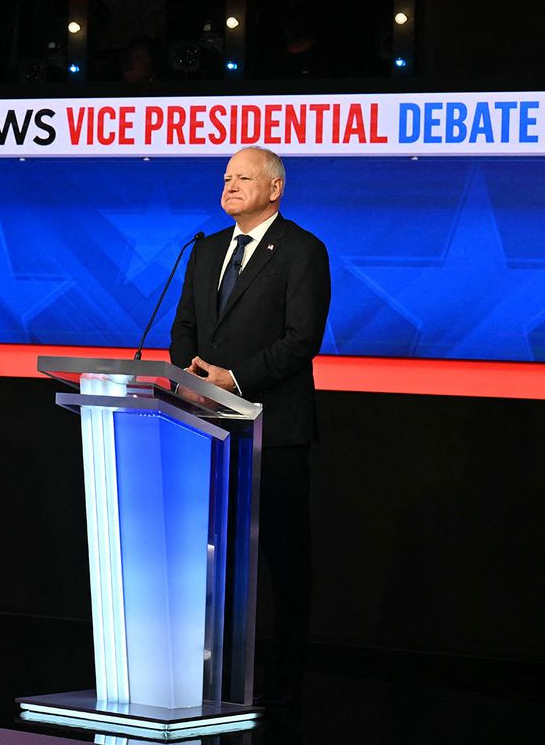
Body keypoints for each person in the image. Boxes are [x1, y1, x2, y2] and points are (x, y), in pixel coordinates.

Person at [169, 146, 331, 707]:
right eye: (226, 177)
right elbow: (185, 326)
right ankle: (211, 670)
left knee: (283, 561)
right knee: (212, 555)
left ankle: (286, 682)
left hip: (274, 430)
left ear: (275, 188)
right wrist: (191, 372)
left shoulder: (303, 251)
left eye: (243, 177)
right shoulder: (206, 249)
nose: (230, 185)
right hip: (206, 427)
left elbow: (301, 339)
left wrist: (233, 378)